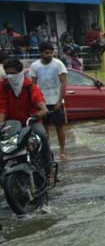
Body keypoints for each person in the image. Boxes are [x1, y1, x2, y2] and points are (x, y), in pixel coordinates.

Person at [0, 57, 53, 206]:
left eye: (12, 73)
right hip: (12, 124)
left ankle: (47, 169)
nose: (9, 76)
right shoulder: (4, 86)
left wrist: (41, 111)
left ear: (19, 72)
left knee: (42, 135)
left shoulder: (30, 87)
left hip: (31, 122)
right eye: (7, 73)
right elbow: (2, 107)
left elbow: (40, 103)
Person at [30, 42, 68, 159]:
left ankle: (62, 152)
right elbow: (33, 86)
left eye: (51, 52)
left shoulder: (58, 64)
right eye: (46, 53)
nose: (49, 55)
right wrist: (36, 103)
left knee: (59, 127)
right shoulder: (35, 66)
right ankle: (46, 152)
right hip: (42, 103)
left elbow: (63, 83)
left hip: (55, 101)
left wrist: (59, 101)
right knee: (43, 130)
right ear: (41, 53)